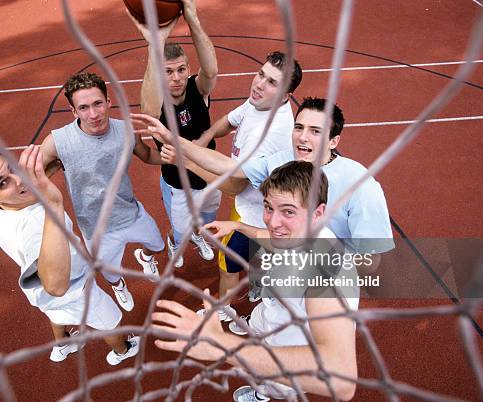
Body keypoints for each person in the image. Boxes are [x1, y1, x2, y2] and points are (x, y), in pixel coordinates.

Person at [0, 72, 166, 312]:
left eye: (98, 103)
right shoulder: (59, 141)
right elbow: (19, 180)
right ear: (74, 111)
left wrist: (180, 156)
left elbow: (148, 155)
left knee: (157, 245)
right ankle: (119, 286)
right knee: (111, 273)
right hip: (95, 228)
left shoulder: (126, 130)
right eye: (84, 107)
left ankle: (145, 257)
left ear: (109, 102)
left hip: (131, 212)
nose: (94, 114)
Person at [152, 161, 358, 401]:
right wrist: (237, 225)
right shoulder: (296, 233)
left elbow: (341, 381)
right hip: (274, 315)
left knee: (269, 382)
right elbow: (271, 237)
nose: (272, 222)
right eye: (269, 207)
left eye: (288, 211)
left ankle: (262, 395)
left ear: (318, 213)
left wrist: (221, 344)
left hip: (291, 349)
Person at [133, 51, 303, 320]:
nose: (259, 84)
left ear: (284, 96)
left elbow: (234, 186)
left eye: (272, 82)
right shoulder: (259, 104)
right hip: (260, 206)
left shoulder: (269, 134)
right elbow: (230, 120)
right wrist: (205, 137)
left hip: (258, 214)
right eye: (261, 74)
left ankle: (222, 311)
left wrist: (185, 159)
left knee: (227, 265)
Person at [137, 97, 394, 273]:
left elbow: (370, 261)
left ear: (334, 141)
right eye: (299, 127)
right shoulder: (280, 161)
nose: (303, 137)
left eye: (315, 131)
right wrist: (173, 138)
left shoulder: (361, 186)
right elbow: (227, 167)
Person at [0, 146, 140, 365]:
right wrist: (55, 203)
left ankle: (63, 345)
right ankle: (123, 350)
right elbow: (55, 285)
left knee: (56, 315)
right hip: (76, 288)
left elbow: (11, 196)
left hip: (39, 295)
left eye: (12, 168)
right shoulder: (37, 222)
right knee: (111, 323)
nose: (20, 179)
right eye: (3, 183)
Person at [129, 0, 219, 269]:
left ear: (189, 70)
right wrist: (154, 47)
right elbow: (147, 109)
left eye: (181, 69)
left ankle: (196, 236)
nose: (176, 77)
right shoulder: (157, 104)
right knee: (180, 232)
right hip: (179, 186)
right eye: (167, 71)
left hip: (210, 177)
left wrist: (192, 19)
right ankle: (175, 242)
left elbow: (211, 71)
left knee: (205, 221)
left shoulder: (198, 90)